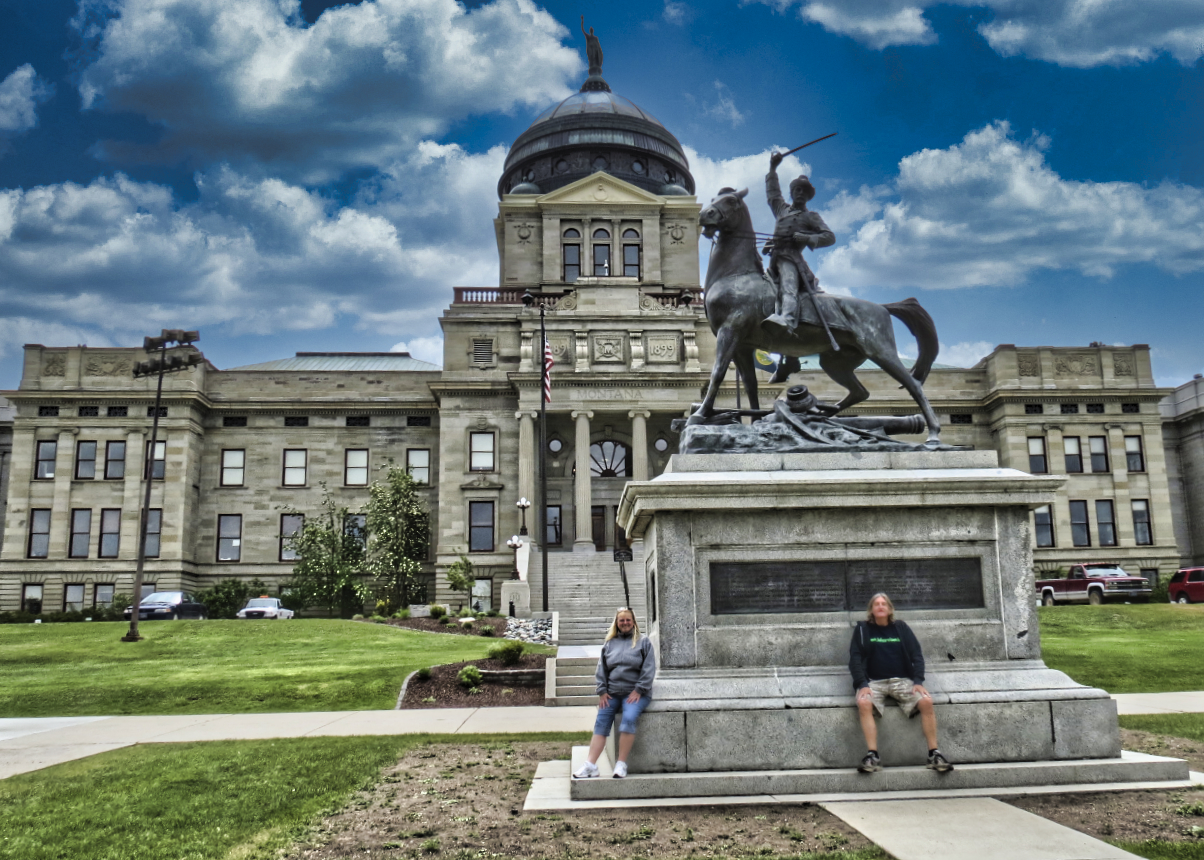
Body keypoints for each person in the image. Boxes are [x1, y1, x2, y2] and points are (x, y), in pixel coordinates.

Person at [849, 592, 954, 773]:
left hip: (902, 681)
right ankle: (872, 755)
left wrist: (918, 680)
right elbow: (855, 659)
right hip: (874, 682)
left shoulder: (901, 628)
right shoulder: (862, 629)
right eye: (876, 604)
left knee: (926, 701)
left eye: (884, 604)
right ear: (871, 610)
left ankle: (934, 753)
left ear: (889, 609)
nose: (880, 606)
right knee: (863, 703)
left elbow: (916, 654)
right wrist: (862, 684)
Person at [572, 607, 655, 779]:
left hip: (635, 693)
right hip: (612, 693)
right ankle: (590, 766)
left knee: (629, 718)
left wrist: (639, 690)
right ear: (617, 623)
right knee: (601, 723)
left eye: (628, 620)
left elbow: (649, 669)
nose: (625, 623)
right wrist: (602, 691)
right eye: (621, 620)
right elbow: (601, 669)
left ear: (633, 622)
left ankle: (621, 764)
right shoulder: (609, 643)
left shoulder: (643, 641)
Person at [761, 150, 835, 341]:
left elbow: (829, 237)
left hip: (790, 259)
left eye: (805, 191)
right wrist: (772, 168)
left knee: (788, 286)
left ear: (809, 196)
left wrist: (806, 237)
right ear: (792, 192)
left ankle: (787, 319)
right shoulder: (781, 209)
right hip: (774, 259)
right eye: (798, 190)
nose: (801, 193)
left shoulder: (811, 217)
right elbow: (772, 193)